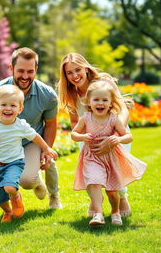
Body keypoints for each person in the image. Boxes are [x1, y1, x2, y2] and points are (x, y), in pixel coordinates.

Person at [0, 47, 62, 209]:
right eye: (20, 71)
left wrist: (46, 150)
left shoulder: (47, 95)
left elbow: (51, 124)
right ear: (11, 68)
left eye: (30, 71)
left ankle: (54, 195)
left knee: (26, 181)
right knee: (15, 180)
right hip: (5, 143)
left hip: (32, 141)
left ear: (36, 70)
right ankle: (36, 180)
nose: (25, 76)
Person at [58, 53, 132, 217]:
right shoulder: (70, 93)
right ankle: (96, 204)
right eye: (69, 73)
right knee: (91, 174)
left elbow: (123, 109)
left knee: (115, 172)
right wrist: (84, 138)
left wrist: (113, 138)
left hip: (116, 133)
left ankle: (122, 196)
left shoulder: (103, 82)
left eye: (77, 70)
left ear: (85, 67)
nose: (75, 76)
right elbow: (73, 122)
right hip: (89, 139)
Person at [0, 85, 57, 222]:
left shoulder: (20, 125)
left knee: (9, 186)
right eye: (3, 104)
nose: (8, 108)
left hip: (14, 163)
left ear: (20, 109)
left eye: (13, 105)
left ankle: (16, 197)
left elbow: (35, 137)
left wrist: (46, 148)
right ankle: (8, 212)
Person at [71, 80, 147, 226]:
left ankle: (115, 212)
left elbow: (128, 136)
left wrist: (117, 139)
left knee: (112, 191)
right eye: (96, 100)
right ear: (89, 102)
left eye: (105, 100)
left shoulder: (113, 119)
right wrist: (82, 137)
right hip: (92, 157)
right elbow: (74, 134)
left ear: (111, 103)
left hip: (111, 158)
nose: (101, 103)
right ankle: (98, 215)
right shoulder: (86, 118)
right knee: (95, 182)